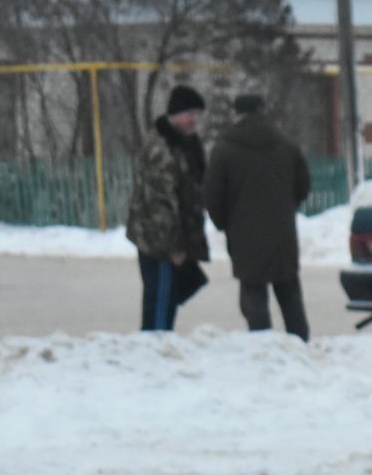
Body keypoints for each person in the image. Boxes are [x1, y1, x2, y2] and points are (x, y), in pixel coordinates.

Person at [203, 93, 312, 340]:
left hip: (244, 236)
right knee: (289, 293)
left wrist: (224, 223)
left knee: (253, 294)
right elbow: (303, 186)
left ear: (237, 114)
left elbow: (212, 195)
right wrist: (285, 210)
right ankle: (300, 344)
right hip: (282, 234)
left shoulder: (224, 150)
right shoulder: (287, 146)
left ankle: (261, 346)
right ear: (263, 111)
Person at [127, 84, 211, 332]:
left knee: (169, 296)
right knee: (160, 302)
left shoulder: (185, 144)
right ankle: (155, 347)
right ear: (175, 113)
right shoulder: (161, 148)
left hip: (172, 237)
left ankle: (159, 344)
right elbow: (160, 202)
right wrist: (173, 246)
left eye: (198, 114)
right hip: (159, 242)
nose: (194, 120)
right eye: (190, 114)